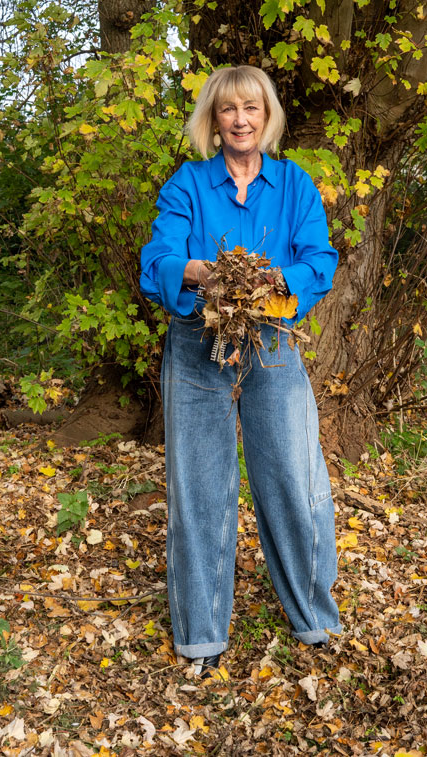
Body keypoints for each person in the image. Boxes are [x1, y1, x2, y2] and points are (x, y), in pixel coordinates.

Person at [139, 64, 341, 675]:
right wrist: (197, 273)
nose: (240, 120)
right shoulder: (188, 186)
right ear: (214, 120)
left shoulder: (295, 185)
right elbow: (160, 257)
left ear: (267, 116)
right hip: (198, 340)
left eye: (251, 108)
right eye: (228, 110)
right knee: (199, 487)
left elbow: (319, 259)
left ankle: (313, 618)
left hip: (273, 340)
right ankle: (200, 633)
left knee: (294, 480)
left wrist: (281, 282)